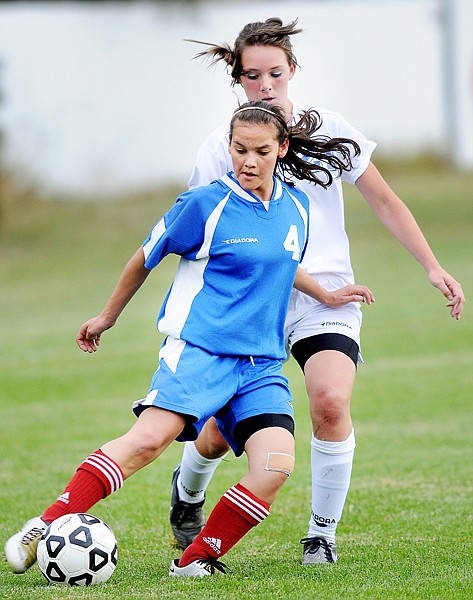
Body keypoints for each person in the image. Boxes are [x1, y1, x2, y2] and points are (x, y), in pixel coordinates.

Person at [4, 101, 374, 578]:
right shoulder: (205, 204)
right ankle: (42, 525)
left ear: (281, 150)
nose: (248, 161)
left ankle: (194, 559)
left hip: (260, 365)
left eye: (261, 151)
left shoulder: (296, 208)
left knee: (276, 464)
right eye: (239, 150)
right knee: (148, 441)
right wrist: (107, 316)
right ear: (229, 147)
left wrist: (325, 293)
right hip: (199, 352)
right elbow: (145, 256)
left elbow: (280, 263)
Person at [168, 17, 466, 564]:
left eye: (274, 73)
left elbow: (384, 200)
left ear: (292, 71)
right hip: (255, 301)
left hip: (326, 295)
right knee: (214, 434)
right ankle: (187, 492)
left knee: (330, 403)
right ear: (239, 79)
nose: (265, 85)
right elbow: (204, 233)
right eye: (252, 76)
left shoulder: (330, 129)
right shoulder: (222, 148)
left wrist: (431, 265)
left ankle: (321, 535)